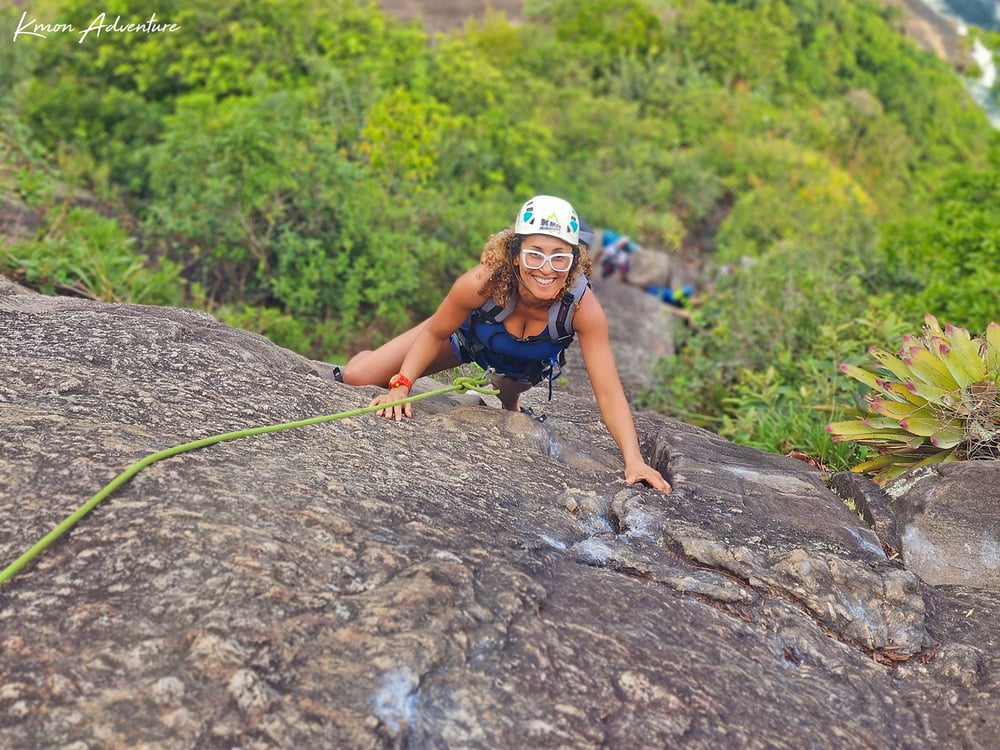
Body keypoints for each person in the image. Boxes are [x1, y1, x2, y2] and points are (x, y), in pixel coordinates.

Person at [338, 195, 671, 493]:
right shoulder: (481, 283)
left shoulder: (582, 307)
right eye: (534, 254)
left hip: (524, 367)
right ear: (514, 255)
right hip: (464, 341)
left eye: (559, 257)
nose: (546, 268)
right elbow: (435, 334)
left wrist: (634, 461)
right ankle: (376, 358)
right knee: (357, 376)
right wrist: (402, 384)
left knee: (509, 400)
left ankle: (504, 399)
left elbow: (609, 392)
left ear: (574, 261)